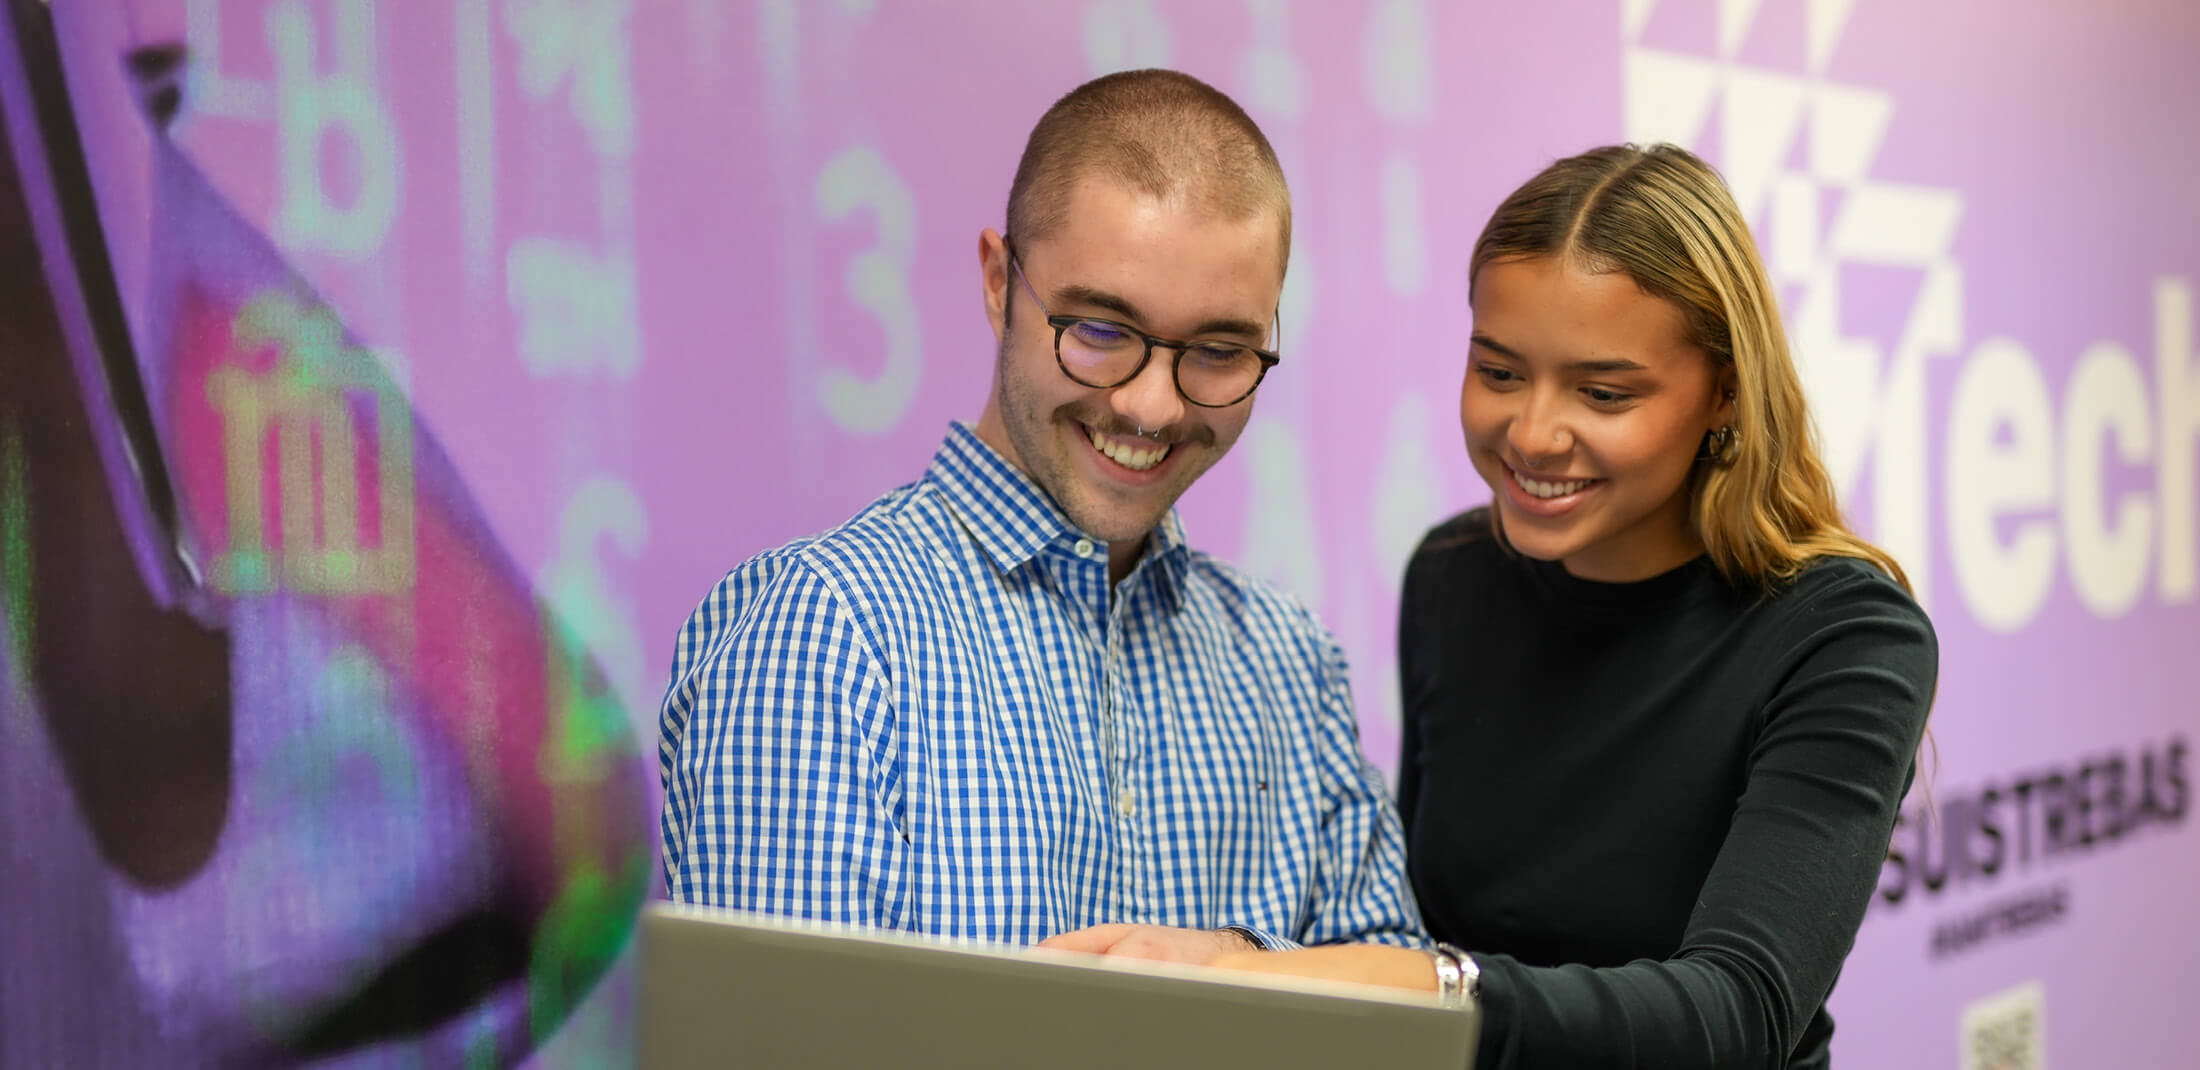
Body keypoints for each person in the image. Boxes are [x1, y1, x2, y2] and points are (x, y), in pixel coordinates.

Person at [658, 69, 1423, 960]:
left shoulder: (1292, 663)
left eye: (1218, 350)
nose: (1152, 407)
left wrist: (1248, 967)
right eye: (1100, 331)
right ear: (997, 281)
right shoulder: (821, 634)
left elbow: (1407, 1024)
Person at [1200, 144, 1937, 1068]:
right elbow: (1418, 917)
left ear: (1723, 392)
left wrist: (1439, 986)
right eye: (1500, 373)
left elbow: (1740, 1013)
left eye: (1602, 392)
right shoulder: (1452, 574)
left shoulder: (1844, 636)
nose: (1535, 434)